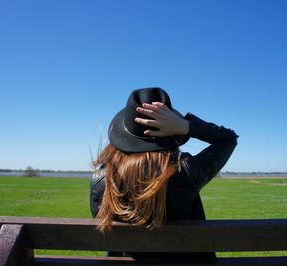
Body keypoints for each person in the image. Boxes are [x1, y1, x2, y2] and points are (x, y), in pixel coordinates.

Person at [90, 87, 238, 261]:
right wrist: (185, 126)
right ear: (170, 132)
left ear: (123, 133)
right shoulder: (186, 173)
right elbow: (228, 139)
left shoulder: (102, 180)